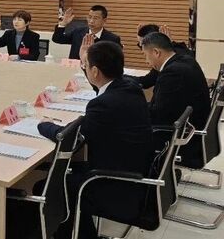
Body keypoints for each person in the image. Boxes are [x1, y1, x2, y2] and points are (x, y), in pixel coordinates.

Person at [37, 40, 152, 239]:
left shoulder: (103, 104)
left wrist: (44, 125)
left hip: (116, 183)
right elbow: (101, 85)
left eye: (87, 66)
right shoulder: (129, 86)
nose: (86, 69)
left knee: (50, 187)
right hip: (135, 171)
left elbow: (70, 139)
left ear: (96, 71)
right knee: (66, 174)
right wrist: (85, 61)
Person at [140, 32, 210, 164]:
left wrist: (133, 109)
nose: (146, 61)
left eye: (145, 55)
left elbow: (159, 114)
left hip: (184, 140)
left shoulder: (173, 73)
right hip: (192, 128)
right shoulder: (185, 60)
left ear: (156, 52)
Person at [128, 24, 193, 89]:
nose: (147, 61)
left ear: (156, 51)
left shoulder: (170, 63)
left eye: (142, 44)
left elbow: (146, 82)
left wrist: (122, 78)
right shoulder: (177, 51)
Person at [52, 5, 121, 60]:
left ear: (104, 20)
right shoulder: (78, 32)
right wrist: (63, 23)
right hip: (76, 70)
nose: (91, 21)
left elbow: (115, 61)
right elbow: (57, 39)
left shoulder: (112, 39)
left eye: (95, 18)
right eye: (90, 17)